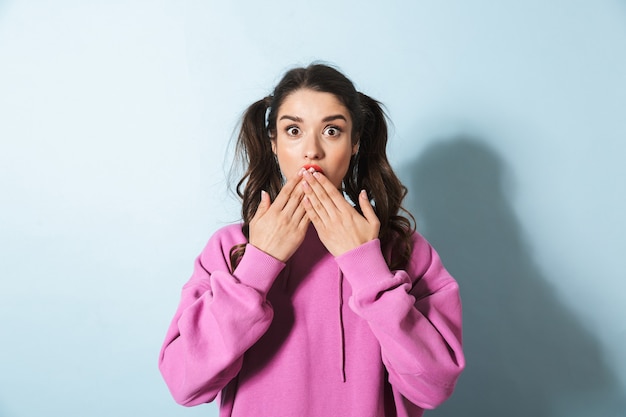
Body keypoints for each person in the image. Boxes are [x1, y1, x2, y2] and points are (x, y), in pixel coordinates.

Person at [158, 63, 465, 417]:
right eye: (293, 130)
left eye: (332, 130)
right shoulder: (230, 248)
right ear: (273, 143)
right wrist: (258, 265)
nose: (312, 151)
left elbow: (434, 387)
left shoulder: (405, 250)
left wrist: (366, 267)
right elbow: (184, 383)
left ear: (355, 144)